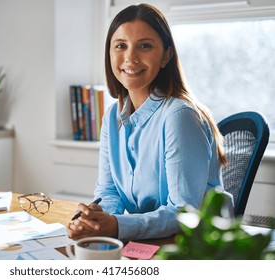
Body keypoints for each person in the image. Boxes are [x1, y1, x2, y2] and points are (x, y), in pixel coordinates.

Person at [67, 3, 228, 241]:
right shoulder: (112, 116)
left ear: (166, 56)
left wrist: (118, 226)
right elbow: (109, 192)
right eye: (120, 45)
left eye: (145, 46)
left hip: (194, 245)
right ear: (109, 53)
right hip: (146, 242)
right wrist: (95, 221)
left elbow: (185, 213)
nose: (130, 57)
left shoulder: (179, 116)